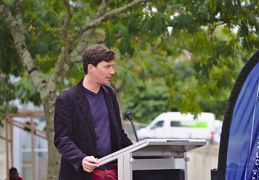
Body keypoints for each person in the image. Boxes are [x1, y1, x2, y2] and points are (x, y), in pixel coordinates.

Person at [54, 44, 133, 180]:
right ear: (91, 68)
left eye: (112, 66)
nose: (112, 71)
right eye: (107, 67)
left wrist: (138, 151)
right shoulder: (67, 99)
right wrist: (81, 159)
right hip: (83, 174)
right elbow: (62, 139)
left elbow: (118, 133)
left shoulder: (110, 94)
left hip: (114, 171)